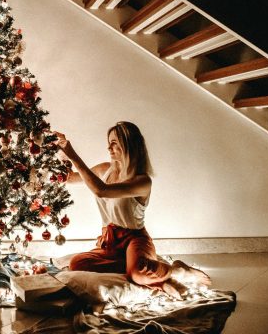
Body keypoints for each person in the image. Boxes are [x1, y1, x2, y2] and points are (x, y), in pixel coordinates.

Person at [54, 122, 211, 299]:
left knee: (137, 273)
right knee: (77, 263)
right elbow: (68, 178)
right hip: (110, 240)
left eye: (114, 142)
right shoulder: (104, 169)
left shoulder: (142, 181)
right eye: (109, 142)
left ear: (129, 145)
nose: (109, 147)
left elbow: (101, 190)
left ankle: (175, 270)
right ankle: (153, 274)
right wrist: (62, 151)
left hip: (135, 239)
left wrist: (73, 154)